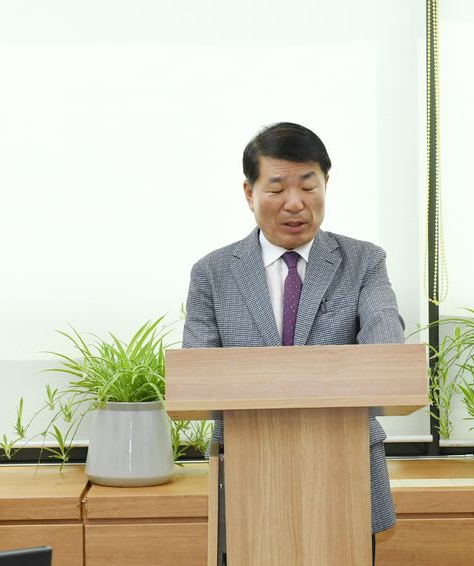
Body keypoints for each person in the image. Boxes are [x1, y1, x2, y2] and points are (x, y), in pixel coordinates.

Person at [182, 121, 405, 563]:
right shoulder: (212, 273)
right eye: (277, 188)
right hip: (247, 473)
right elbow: (199, 376)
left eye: (308, 186)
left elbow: (386, 357)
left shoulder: (364, 262)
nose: (295, 203)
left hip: (345, 469)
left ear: (326, 184)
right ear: (249, 192)